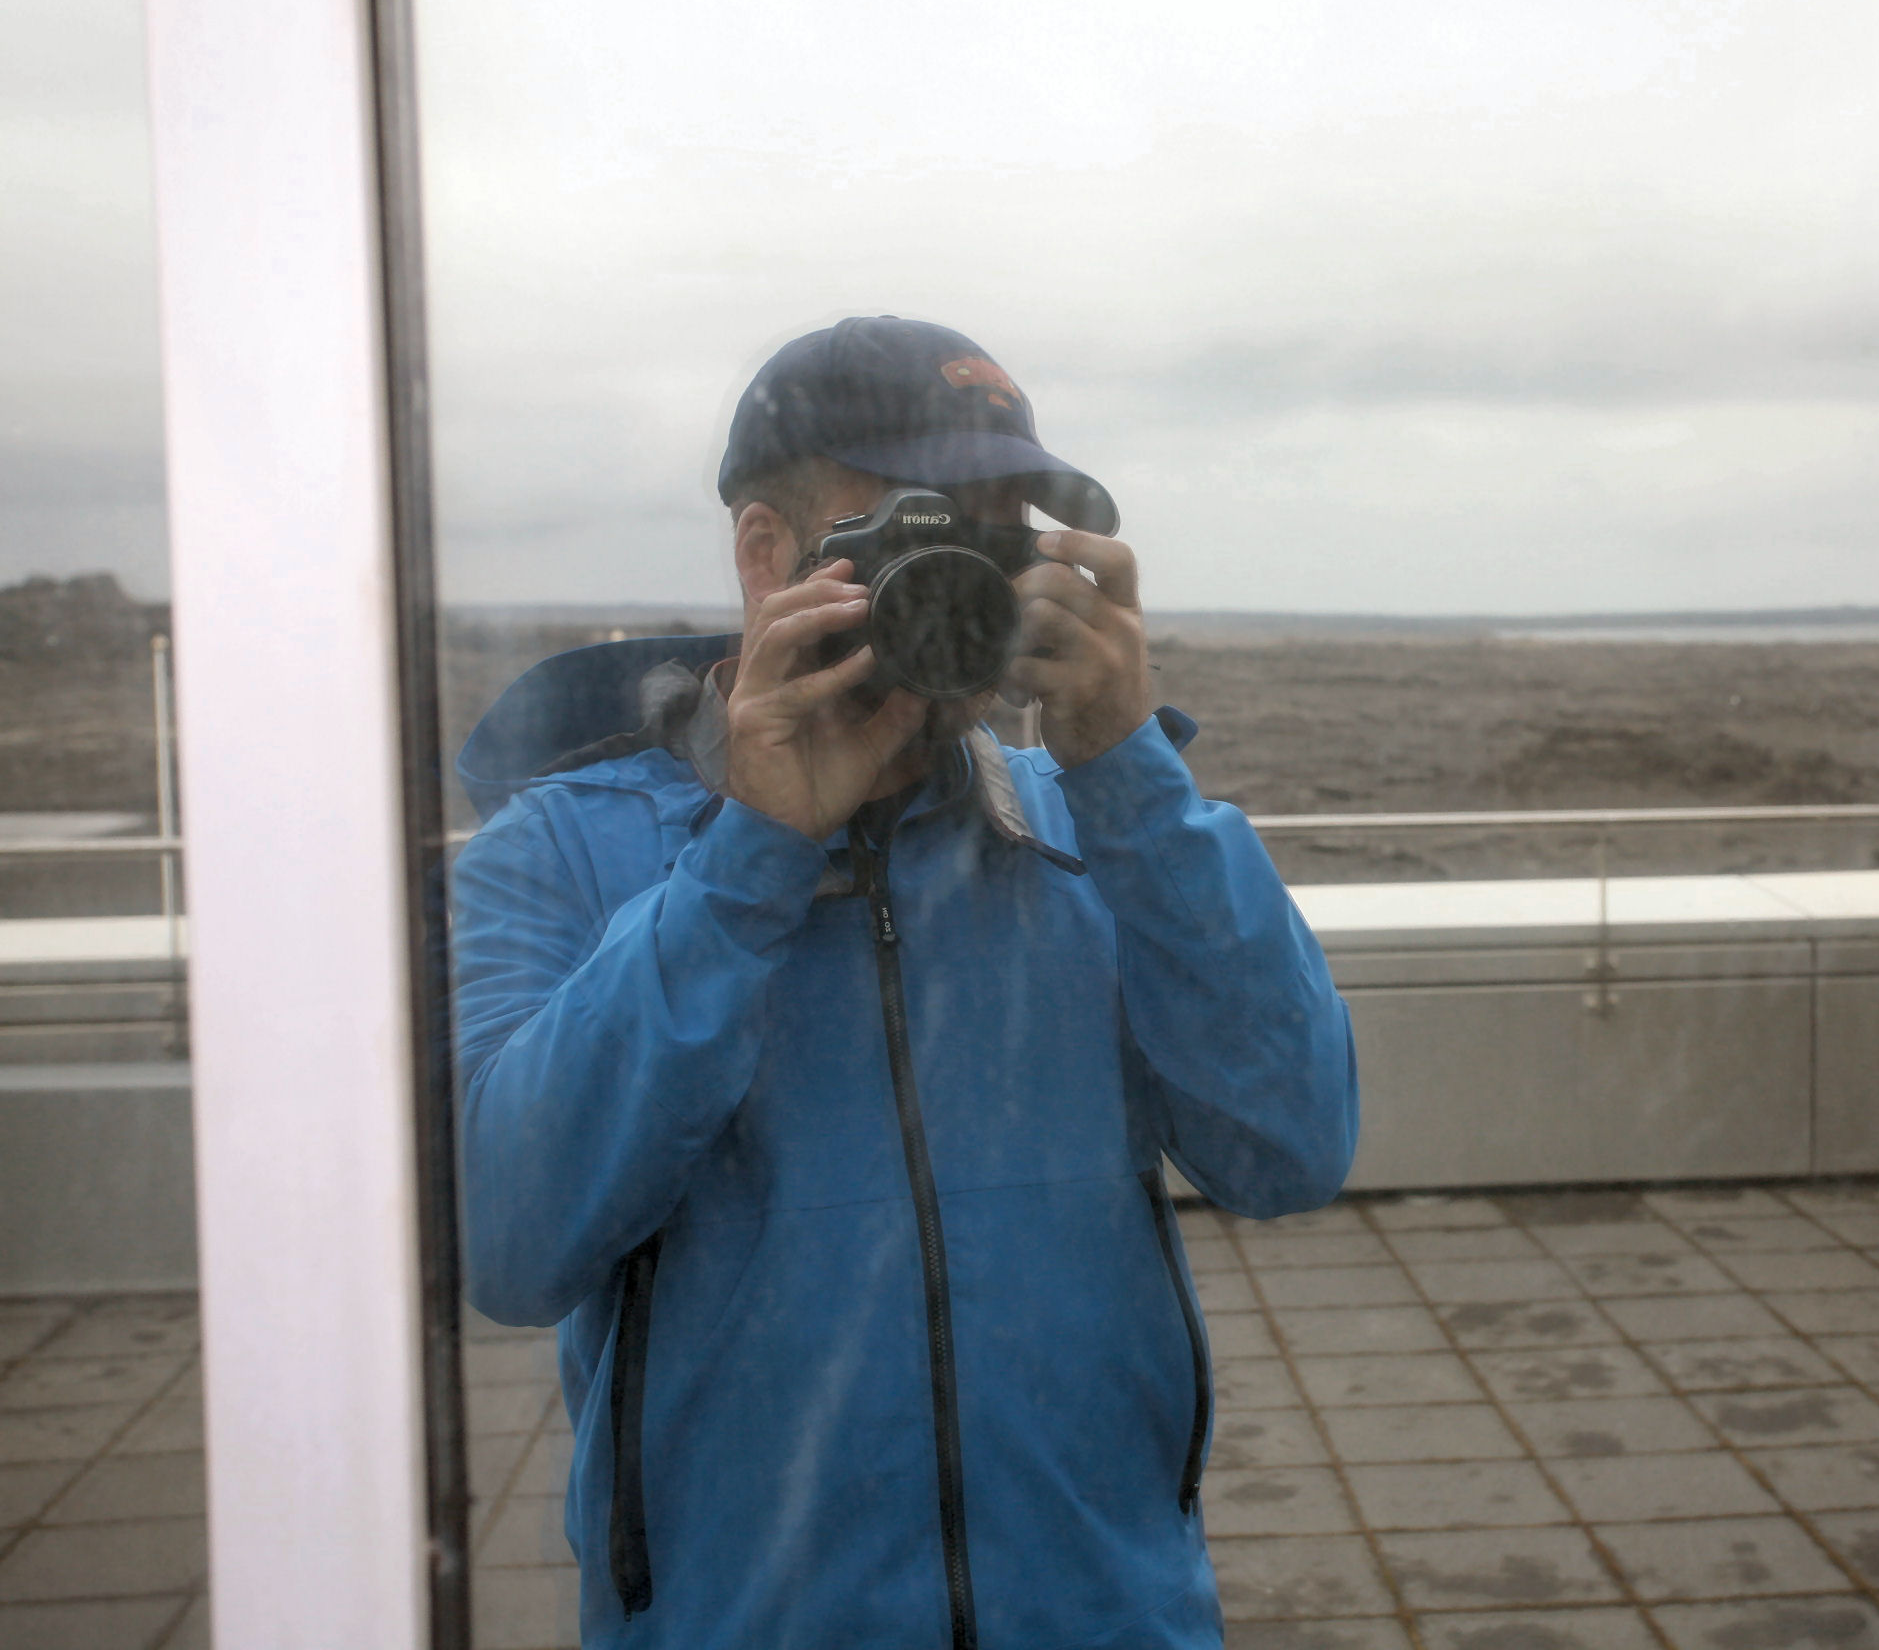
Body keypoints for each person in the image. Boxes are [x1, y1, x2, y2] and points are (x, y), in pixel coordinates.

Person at [450, 316, 1359, 1648]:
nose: (959, 583)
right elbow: (509, 1240)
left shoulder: (1097, 830)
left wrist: (1133, 780)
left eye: (997, 538)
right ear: (766, 553)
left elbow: (1292, 1149)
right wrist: (748, 858)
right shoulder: (563, 853)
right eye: (912, 529)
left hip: (1102, 1615)